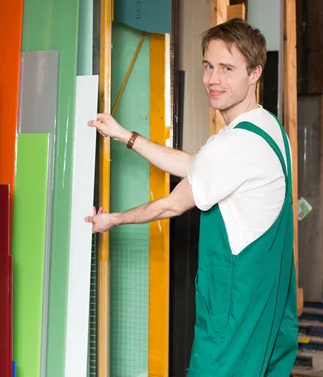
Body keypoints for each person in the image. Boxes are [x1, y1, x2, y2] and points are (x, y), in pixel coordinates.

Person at [86, 18, 298, 376]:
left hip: (233, 312)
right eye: (209, 66)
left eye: (227, 69)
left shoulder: (232, 145)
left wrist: (113, 220)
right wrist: (125, 135)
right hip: (265, 307)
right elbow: (196, 166)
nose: (214, 79)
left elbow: (172, 204)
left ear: (254, 73)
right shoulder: (268, 128)